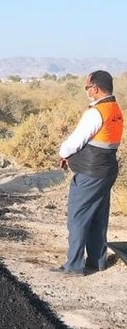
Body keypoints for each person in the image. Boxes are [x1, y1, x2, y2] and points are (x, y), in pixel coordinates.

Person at [52, 70, 123, 276]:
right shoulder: (115, 109)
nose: (87, 92)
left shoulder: (96, 112)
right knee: (99, 216)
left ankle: (74, 265)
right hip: (107, 170)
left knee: (78, 216)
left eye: (87, 88)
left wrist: (63, 153)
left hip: (90, 172)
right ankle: (97, 261)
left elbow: (75, 141)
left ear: (96, 88)